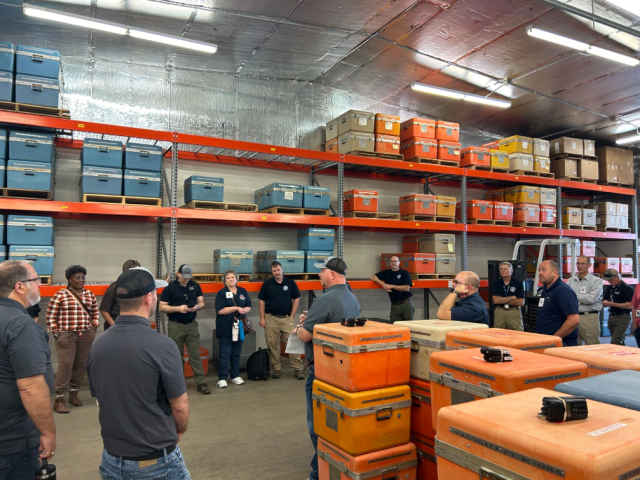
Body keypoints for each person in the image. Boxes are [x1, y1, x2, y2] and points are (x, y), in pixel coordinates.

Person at [87, 267, 191, 479]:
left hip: (111, 460)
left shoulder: (98, 346)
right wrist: (179, 430)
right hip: (155, 463)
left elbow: (103, 397)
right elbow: (179, 406)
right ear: (149, 298)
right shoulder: (163, 346)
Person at [296, 257, 360, 480]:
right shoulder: (352, 298)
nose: (319, 275)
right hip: (342, 370)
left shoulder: (324, 300)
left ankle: (318, 473)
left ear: (332, 274)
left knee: (318, 425)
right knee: (335, 425)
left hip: (321, 372)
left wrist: (299, 327)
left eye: (322, 271)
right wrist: (312, 319)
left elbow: (306, 334)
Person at [0, 260, 55, 480]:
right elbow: (31, 388)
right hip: (13, 442)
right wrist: (48, 432)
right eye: (36, 280)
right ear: (20, 287)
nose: (40, 285)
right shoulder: (21, 325)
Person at [46, 265, 99, 414]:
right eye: (78, 277)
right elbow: (51, 316)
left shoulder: (89, 295)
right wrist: (56, 333)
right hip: (66, 336)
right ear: (69, 279)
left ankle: (73, 394)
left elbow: (95, 313)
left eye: (83, 277)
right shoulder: (60, 295)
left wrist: (93, 328)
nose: (81, 280)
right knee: (65, 365)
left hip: (85, 334)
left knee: (80, 365)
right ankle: (59, 399)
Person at [159, 264, 209, 394]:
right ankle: (179, 384)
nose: (186, 279)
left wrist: (196, 307)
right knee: (176, 356)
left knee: (195, 355)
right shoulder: (169, 288)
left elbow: (202, 302)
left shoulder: (195, 286)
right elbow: (162, 307)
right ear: (178, 274)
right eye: (184, 277)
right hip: (176, 326)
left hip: (191, 325)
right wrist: (178, 308)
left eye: (188, 277)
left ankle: (201, 382)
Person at [258, 261, 304, 380]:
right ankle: (277, 368)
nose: (276, 272)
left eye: (278, 270)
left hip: (286, 318)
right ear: (271, 272)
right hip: (270, 319)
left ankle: (298, 369)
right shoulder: (267, 284)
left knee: (293, 343)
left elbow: (296, 298)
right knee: (272, 344)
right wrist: (262, 318)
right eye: (274, 271)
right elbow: (261, 301)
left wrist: (292, 315)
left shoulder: (290, 283)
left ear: (282, 269)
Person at [215, 269, 251, 388]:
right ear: (224, 281)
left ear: (237, 279)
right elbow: (220, 310)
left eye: (232, 277)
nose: (231, 279)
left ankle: (235, 376)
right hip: (225, 327)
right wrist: (236, 308)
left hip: (239, 327)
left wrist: (245, 310)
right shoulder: (221, 293)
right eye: (228, 278)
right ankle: (222, 378)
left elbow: (248, 305)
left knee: (236, 353)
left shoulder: (242, 291)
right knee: (225, 353)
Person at [536, 260, 580, 346]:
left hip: (561, 343)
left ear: (554, 272)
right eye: (539, 270)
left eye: (544, 270)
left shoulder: (563, 291)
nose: (540, 273)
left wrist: (554, 339)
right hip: (546, 341)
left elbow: (574, 319)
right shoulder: (546, 290)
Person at [566, 256, 603, 345]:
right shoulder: (570, 281)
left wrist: (573, 297)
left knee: (592, 346)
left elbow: (591, 299)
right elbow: (566, 298)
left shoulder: (596, 281)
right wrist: (583, 298)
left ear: (589, 265)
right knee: (574, 347)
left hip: (589, 317)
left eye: (583, 263)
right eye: (578, 263)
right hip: (573, 317)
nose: (580, 266)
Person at [370, 255, 413, 322]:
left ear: (399, 262)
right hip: (394, 305)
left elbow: (406, 288)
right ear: (389, 262)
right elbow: (373, 277)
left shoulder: (405, 273)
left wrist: (392, 286)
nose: (393, 263)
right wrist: (383, 284)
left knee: (409, 325)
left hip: (406, 304)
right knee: (394, 324)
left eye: (395, 261)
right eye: (392, 261)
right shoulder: (386, 272)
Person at [100, 259, 140, 331]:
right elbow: (104, 310)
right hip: (116, 326)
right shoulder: (114, 287)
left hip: (133, 325)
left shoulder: (138, 288)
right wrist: (114, 326)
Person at [602, 268, 634, 346]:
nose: (609, 281)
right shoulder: (610, 288)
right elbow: (605, 299)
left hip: (623, 317)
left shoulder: (627, 288)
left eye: (610, 279)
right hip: (611, 316)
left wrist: (611, 304)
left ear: (616, 277)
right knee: (618, 340)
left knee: (615, 341)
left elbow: (629, 305)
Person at [491, 262, 525, 330]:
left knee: (517, 333)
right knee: (498, 333)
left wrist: (501, 300)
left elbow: (521, 302)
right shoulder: (496, 283)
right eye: (501, 269)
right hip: (500, 311)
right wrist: (511, 298)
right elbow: (495, 300)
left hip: (514, 311)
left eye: (505, 269)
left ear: (511, 270)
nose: (503, 270)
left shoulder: (518, 283)